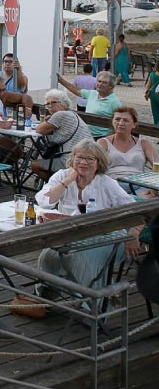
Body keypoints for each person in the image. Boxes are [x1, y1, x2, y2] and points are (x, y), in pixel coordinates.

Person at [34, 141, 143, 295]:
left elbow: (136, 210)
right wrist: (67, 181)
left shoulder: (106, 183)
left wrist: (134, 232)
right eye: (79, 157)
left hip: (106, 236)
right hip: (68, 236)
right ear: (73, 159)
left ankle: (89, 302)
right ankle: (49, 294)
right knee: (48, 256)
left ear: (99, 163)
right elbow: (44, 201)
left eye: (90, 159)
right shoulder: (62, 176)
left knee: (79, 258)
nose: (83, 162)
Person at [32, 89, 93, 181]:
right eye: (47, 104)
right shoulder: (72, 114)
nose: (50, 106)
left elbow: (39, 130)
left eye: (54, 102)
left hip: (71, 160)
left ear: (64, 104)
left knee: (34, 164)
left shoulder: (61, 114)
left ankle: (55, 185)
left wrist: (46, 121)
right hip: (86, 158)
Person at [97, 106, 157, 193]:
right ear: (112, 121)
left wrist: (153, 186)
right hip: (113, 184)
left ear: (134, 124)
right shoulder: (103, 143)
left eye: (126, 120)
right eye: (117, 119)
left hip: (139, 185)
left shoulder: (143, 143)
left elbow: (157, 163)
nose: (121, 123)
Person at [57, 71, 121, 137]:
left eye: (104, 82)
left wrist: (108, 138)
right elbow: (77, 91)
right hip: (86, 134)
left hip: (102, 136)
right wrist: (61, 81)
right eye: (99, 81)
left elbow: (120, 122)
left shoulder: (114, 102)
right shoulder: (92, 93)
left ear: (111, 86)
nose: (100, 84)